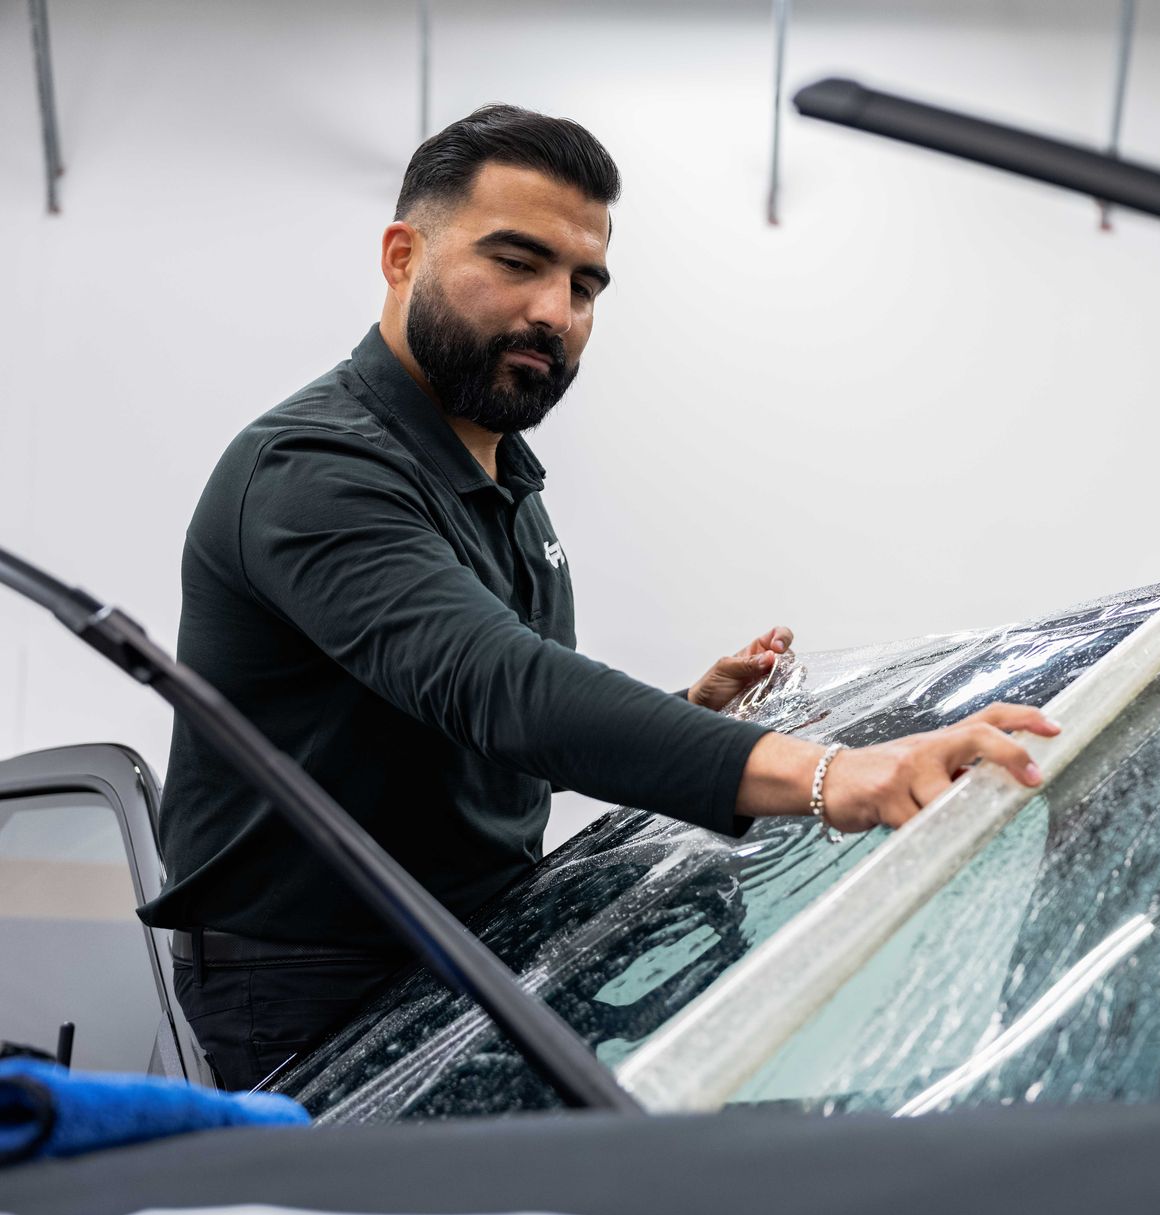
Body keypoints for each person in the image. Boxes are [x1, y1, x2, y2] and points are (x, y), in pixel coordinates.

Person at [137, 104, 1057, 1092]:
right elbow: (502, 688)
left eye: (584, 284)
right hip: (313, 992)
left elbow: (495, 722)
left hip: (477, 950)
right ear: (402, 254)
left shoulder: (502, 479)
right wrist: (838, 776)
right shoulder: (315, 469)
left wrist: (683, 714)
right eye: (518, 262)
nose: (555, 311)